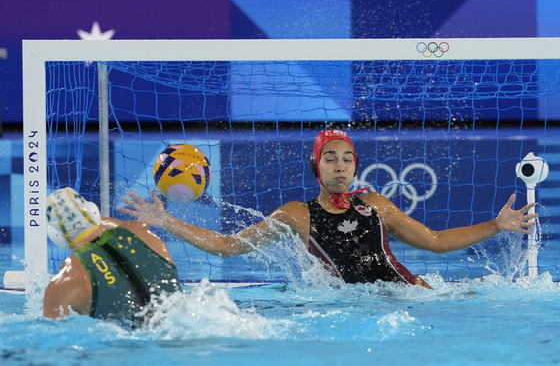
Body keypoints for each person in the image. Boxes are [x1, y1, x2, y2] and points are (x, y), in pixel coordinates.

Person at [120, 129, 537, 289]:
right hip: (356, 308)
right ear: (316, 166)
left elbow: (435, 241)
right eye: (330, 158)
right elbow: (230, 247)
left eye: (347, 158)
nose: (340, 165)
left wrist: (497, 225)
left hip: (415, 296)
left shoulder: (375, 205)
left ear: (356, 165)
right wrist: (164, 220)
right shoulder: (295, 216)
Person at [43, 187, 181, 323]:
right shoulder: (140, 231)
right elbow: (116, 228)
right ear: (94, 212)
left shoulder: (63, 282)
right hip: (180, 322)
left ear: (55, 236)